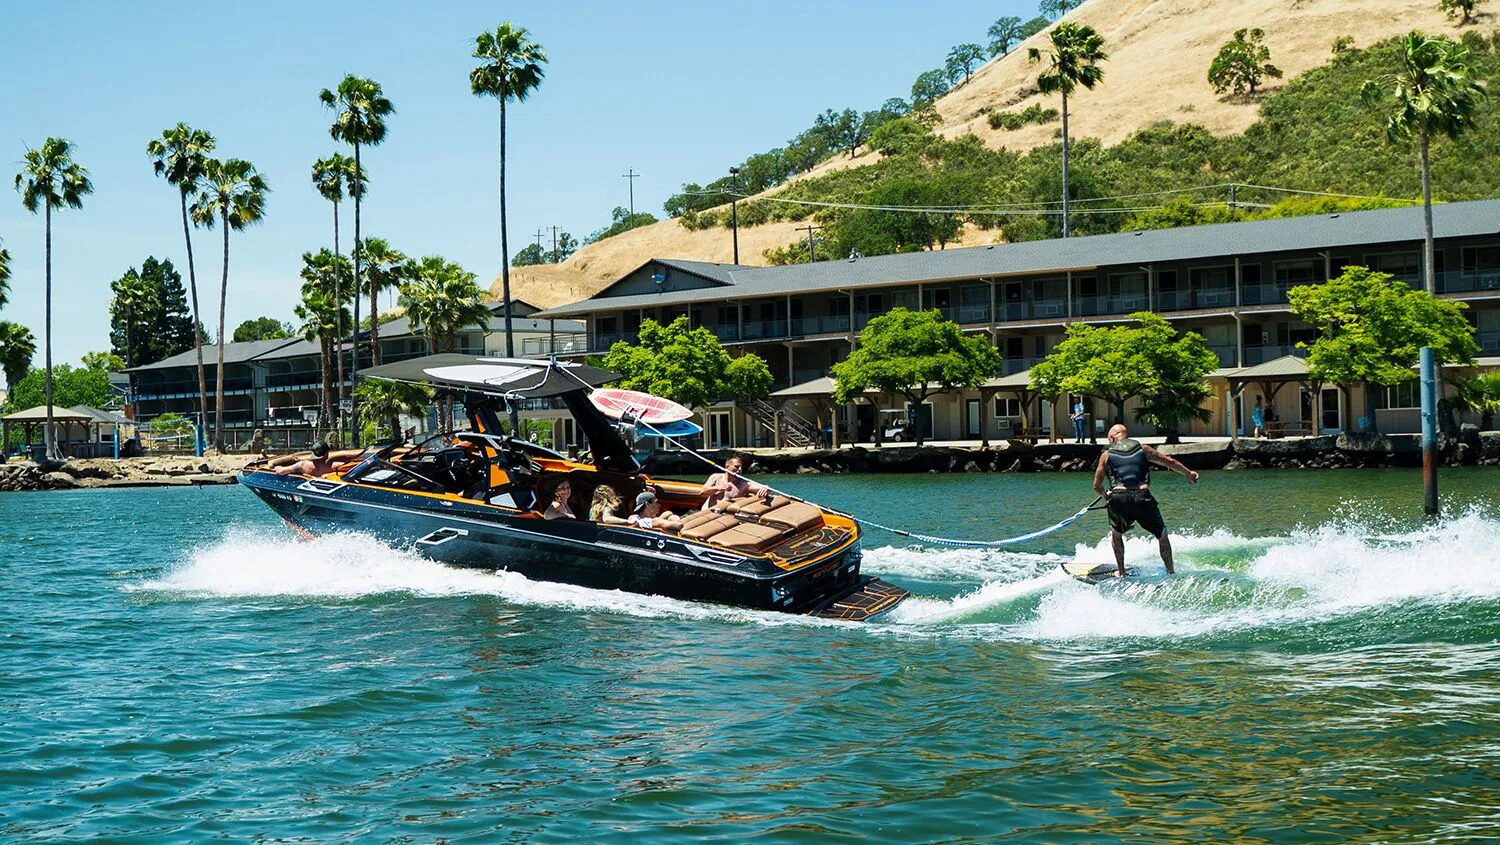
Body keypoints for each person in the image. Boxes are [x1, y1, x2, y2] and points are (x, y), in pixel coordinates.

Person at [1091, 423, 1200, 577]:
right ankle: (1171, 573)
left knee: (1116, 535)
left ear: (1111, 438)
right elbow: (1168, 461)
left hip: (1119, 499)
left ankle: (1121, 572)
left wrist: (1105, 495)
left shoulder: (1106, 454)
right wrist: (1188, 473)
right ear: (1125, 435)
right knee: (1162, 536)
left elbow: (1096, 485)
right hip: (1143, 498)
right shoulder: (1143, 448)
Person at [700, 455, 768, 511]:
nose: (739, 470)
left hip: (723, 517)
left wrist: (765, 487)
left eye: (741, 467)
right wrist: (719, 487)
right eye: (736, 467)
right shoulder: (715, 477)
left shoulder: (743, 484)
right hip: (706, 512)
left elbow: (762, 488)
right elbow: (703, 493)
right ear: (727, 466)